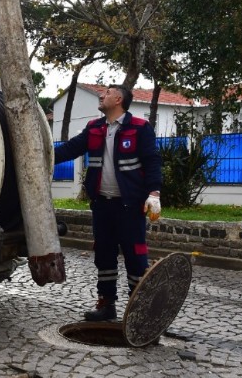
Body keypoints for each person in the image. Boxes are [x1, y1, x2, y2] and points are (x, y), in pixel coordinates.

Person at [54, 84, 162, 321]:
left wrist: (154, 194)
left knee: (135, 256)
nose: (102, 95)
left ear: (119, 99)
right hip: (102, 205)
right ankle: (106, 304)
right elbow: (70, 149)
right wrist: (42, 154)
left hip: (130, 206)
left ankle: (138, 309)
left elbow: (152, 161)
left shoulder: (140, 128)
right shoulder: (95, 128)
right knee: (104, 254)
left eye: (108, 92)